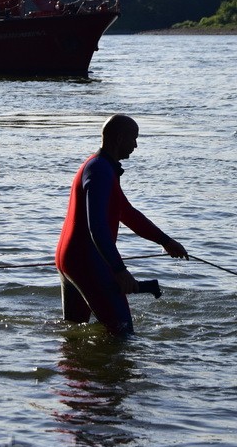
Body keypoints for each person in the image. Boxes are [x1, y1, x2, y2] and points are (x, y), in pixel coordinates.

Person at [55, 114, 188, 336]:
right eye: (133, 138)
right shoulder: (100, 171)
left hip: (70, 258)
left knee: (74, 334)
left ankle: (73, 370)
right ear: (118, 139)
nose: (136, 145)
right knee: (122, 334)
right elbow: (96, 227)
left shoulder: (100, 167)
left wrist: (166, 241)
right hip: (87, 261)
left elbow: (127, 214)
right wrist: (119, 270)